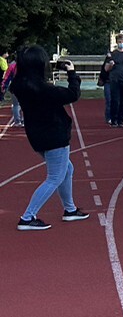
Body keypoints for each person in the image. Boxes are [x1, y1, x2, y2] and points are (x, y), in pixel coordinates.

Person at [12, 47, 89, 230]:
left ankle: (69, 209)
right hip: (54, 134)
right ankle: (27, 217)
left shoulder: (20, 85)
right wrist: (72, 74)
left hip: (37, 135)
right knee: (55, 177)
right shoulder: (43, 89)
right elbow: (72, 95)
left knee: (67, 169)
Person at [102, 34, 123, 127]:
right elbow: (106, 69)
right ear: (117, 43)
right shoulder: (112, 54)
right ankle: (113, 120)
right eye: (119, 42)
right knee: (115, 101)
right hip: (115, 80)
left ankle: (121, 120)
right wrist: (110, 65)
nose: (121, 43)